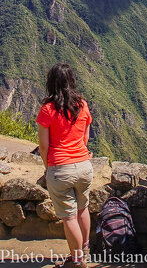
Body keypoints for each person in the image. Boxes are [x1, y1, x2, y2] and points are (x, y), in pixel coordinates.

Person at [37, 63, 94, 268]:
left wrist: (48, 167)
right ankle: (85, 249)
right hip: (84, 166)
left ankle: (77, 260)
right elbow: (85, 139)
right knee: (83, 208)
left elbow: (44, 146)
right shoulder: (82, 105)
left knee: (69, 218)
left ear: (51, 82)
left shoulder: (47, 110)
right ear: (72, 81)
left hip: (60, 168)